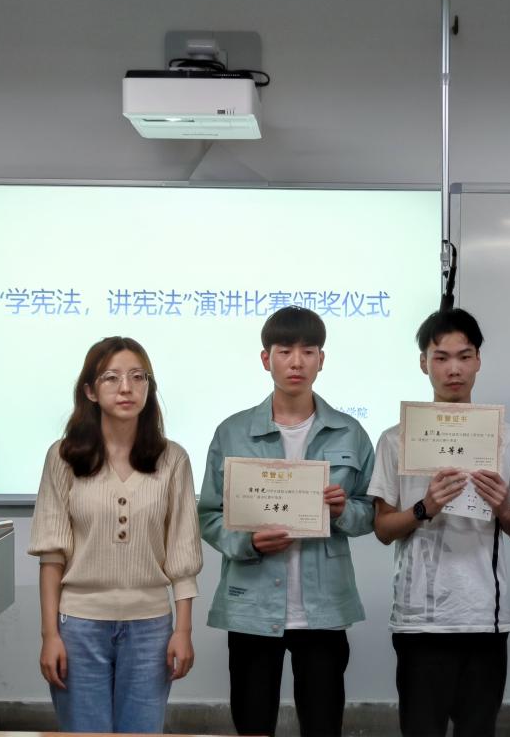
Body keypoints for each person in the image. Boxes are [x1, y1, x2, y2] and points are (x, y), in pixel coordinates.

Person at [197, 306, 375, 737]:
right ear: (266, 359)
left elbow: (372, 511)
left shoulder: (349, 432)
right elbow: (209, 515)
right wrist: (248, 543)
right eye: (285, 351)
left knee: (323, 724)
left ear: (321, 359)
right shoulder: (232, 432)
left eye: (308, 351)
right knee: (253, 724)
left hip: (324, 608)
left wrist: (343, 511)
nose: (297, 362)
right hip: (252, 605)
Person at [369, 308, 510, 737]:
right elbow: (382, 529)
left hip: (484, 616)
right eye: (441, 357)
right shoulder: (395, 439)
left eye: (464, 357)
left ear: (478, 360)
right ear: (423, 363)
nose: (454, 369)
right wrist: (424, 507)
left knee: (477, 729)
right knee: (421, 729)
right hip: (418, 620)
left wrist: (503, 507)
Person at [28, 336, 203, 734]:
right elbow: (52, 557)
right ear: (90, 390)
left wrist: (183, 630)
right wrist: (50, 634)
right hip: (79, 626)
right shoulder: (63, 457)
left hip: (151, 627)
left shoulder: (173, 459)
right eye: (112, 377)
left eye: (138, 377)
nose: (127, 388)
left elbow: (182, 555)